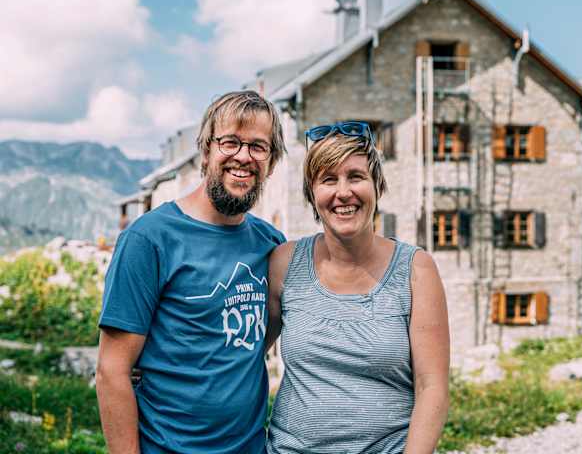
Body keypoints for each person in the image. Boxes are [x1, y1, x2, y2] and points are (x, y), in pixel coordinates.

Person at [96, 91, 286, 454]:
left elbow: (255, 343)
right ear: (205, 151)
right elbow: (112, 370)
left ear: (271, 162)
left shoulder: (270, 242)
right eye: (230, 142)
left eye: (258, 147)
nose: (243, 156)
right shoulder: (148, 239)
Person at [266, 121, 450, 454]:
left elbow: (432, 387)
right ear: (312, 194)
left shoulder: (416, 270)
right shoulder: (284, 264)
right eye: (328, 179)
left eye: (356, 176)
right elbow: (242, 355)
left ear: (377, 185)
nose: (343, 192)